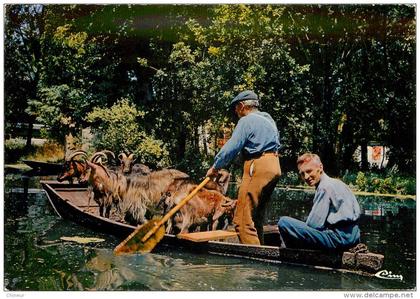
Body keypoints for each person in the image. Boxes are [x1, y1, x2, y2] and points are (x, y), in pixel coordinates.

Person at [206, 90, 281, 245]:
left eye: (236, 107)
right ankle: (262, 251)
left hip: (257, 166)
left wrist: (215, 167)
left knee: (241, 220)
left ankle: (253, 264)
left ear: (242, 106)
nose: (235, 111)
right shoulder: (268, 119)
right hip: (274, 166)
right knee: (255, 217)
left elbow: (231, 148)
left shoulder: (246, 121)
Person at [278, 153, 361, 250]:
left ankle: (294, 256)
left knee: (283, 222)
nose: (306, 177)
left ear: (320, 167)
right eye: (302, 174)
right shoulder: (337, 183)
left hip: (339, 239)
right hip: (353, 238)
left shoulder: (324, 187)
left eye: (309, 171)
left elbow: (314, 225)